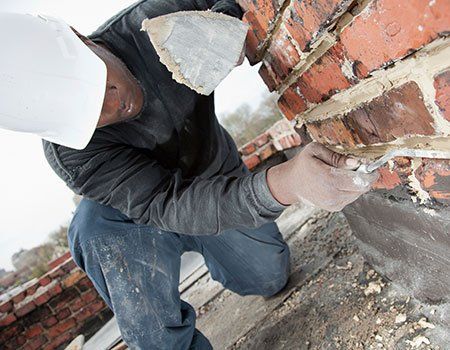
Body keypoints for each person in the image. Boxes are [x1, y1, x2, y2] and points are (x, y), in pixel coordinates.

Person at [0, 1, 378, 348]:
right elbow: (166, 203)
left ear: (81, 39)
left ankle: (217, 250)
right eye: (90, 112)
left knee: (268, 277)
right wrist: (286, 183)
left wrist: (227, 22)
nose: (115, 105)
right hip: (143, 216)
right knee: (94, 228)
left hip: (215, 177)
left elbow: (240, 7)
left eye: (100, 83)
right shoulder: (72, 154)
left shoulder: (154, 22)